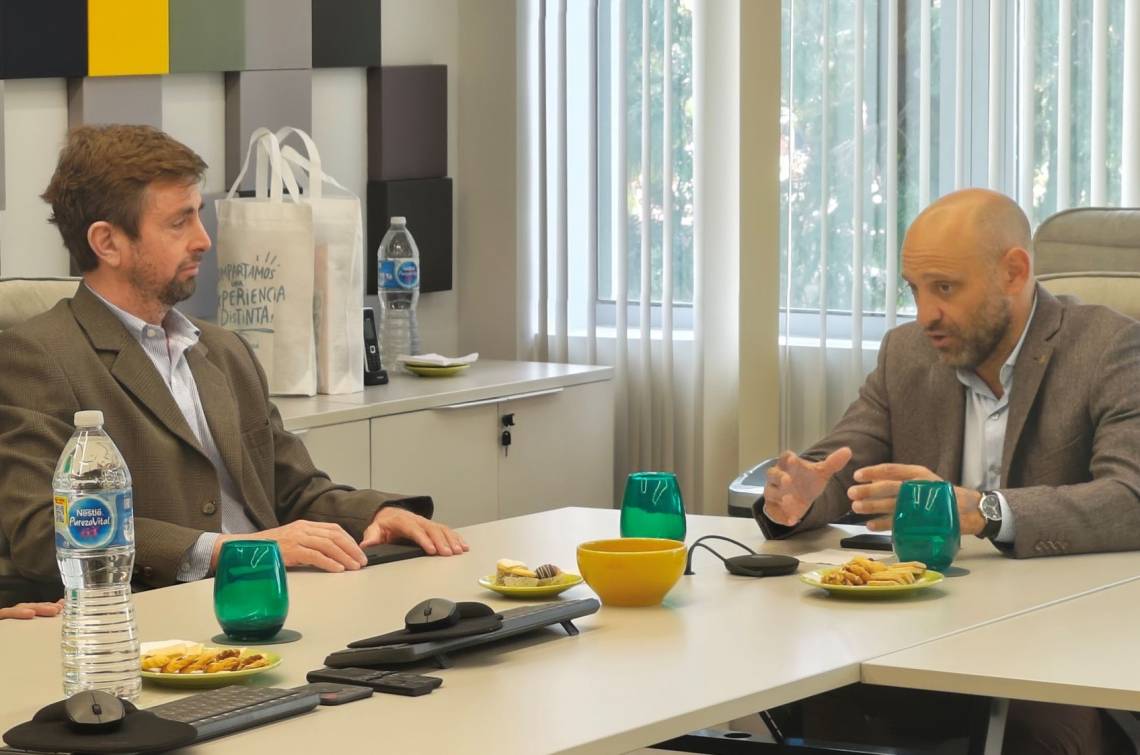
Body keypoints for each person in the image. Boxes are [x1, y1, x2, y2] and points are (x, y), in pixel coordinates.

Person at [0, 125, 468, 598]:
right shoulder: (37, 357)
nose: (204, 240)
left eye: (199, 217)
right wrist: (225, 550)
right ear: (107, 243)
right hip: (167, 624)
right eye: (179, 223)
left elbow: (294, 492)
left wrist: (376, 514)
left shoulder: (225, 350)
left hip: (281, 599)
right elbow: (44, 533)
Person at [757, 189, 1140, 754]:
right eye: (914, 289)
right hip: (923, 627)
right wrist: (802, 495)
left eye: (945, 289)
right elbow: (844, 462)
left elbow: (1130, 497)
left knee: (1040, 728)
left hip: (1062, 638)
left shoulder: (1109, 346)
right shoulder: (907, 353)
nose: (924, 314)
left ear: (1014, 272)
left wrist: (983, 510)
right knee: (817, 683)